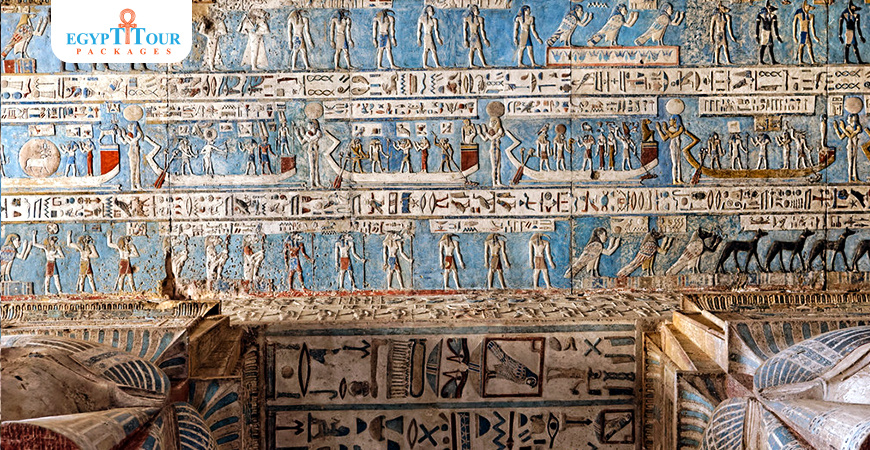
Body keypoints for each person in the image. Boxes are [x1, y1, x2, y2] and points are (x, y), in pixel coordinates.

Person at [834, 112, 865, 182]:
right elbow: (841, 137)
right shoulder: (848, 127)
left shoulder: (858, 127)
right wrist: (836, 129)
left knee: (854, 162)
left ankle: (855, 178)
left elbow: (850, 136)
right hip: (849, 146)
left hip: (854, 146)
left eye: (848, 119)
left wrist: (842, 128)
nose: (847, 120)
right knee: (850, 163)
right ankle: (850, 178)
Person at [656, 115, 686, 183]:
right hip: (673, 146)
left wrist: (665, 130)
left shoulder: (680, 128)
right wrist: (659, 130)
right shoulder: (671, 129)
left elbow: (672, 136)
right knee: (674, 163)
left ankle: (679, 179)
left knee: (678, 163)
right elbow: (664, 138)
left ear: (675, 120)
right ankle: (674, 180)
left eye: (670, 120)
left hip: (677, 146)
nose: (669, 122)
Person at [295, 119, 323, 187]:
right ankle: (312, 183)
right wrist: (298, 135)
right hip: (310, 150)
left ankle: (318, 183)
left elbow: (310, 139)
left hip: (315, 150)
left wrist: (303, 134)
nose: (307, 126)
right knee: (312, 168)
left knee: (316, 167)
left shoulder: (318, 132)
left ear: (312, 125)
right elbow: (302, 142)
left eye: (308, 124)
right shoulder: (308, 133)